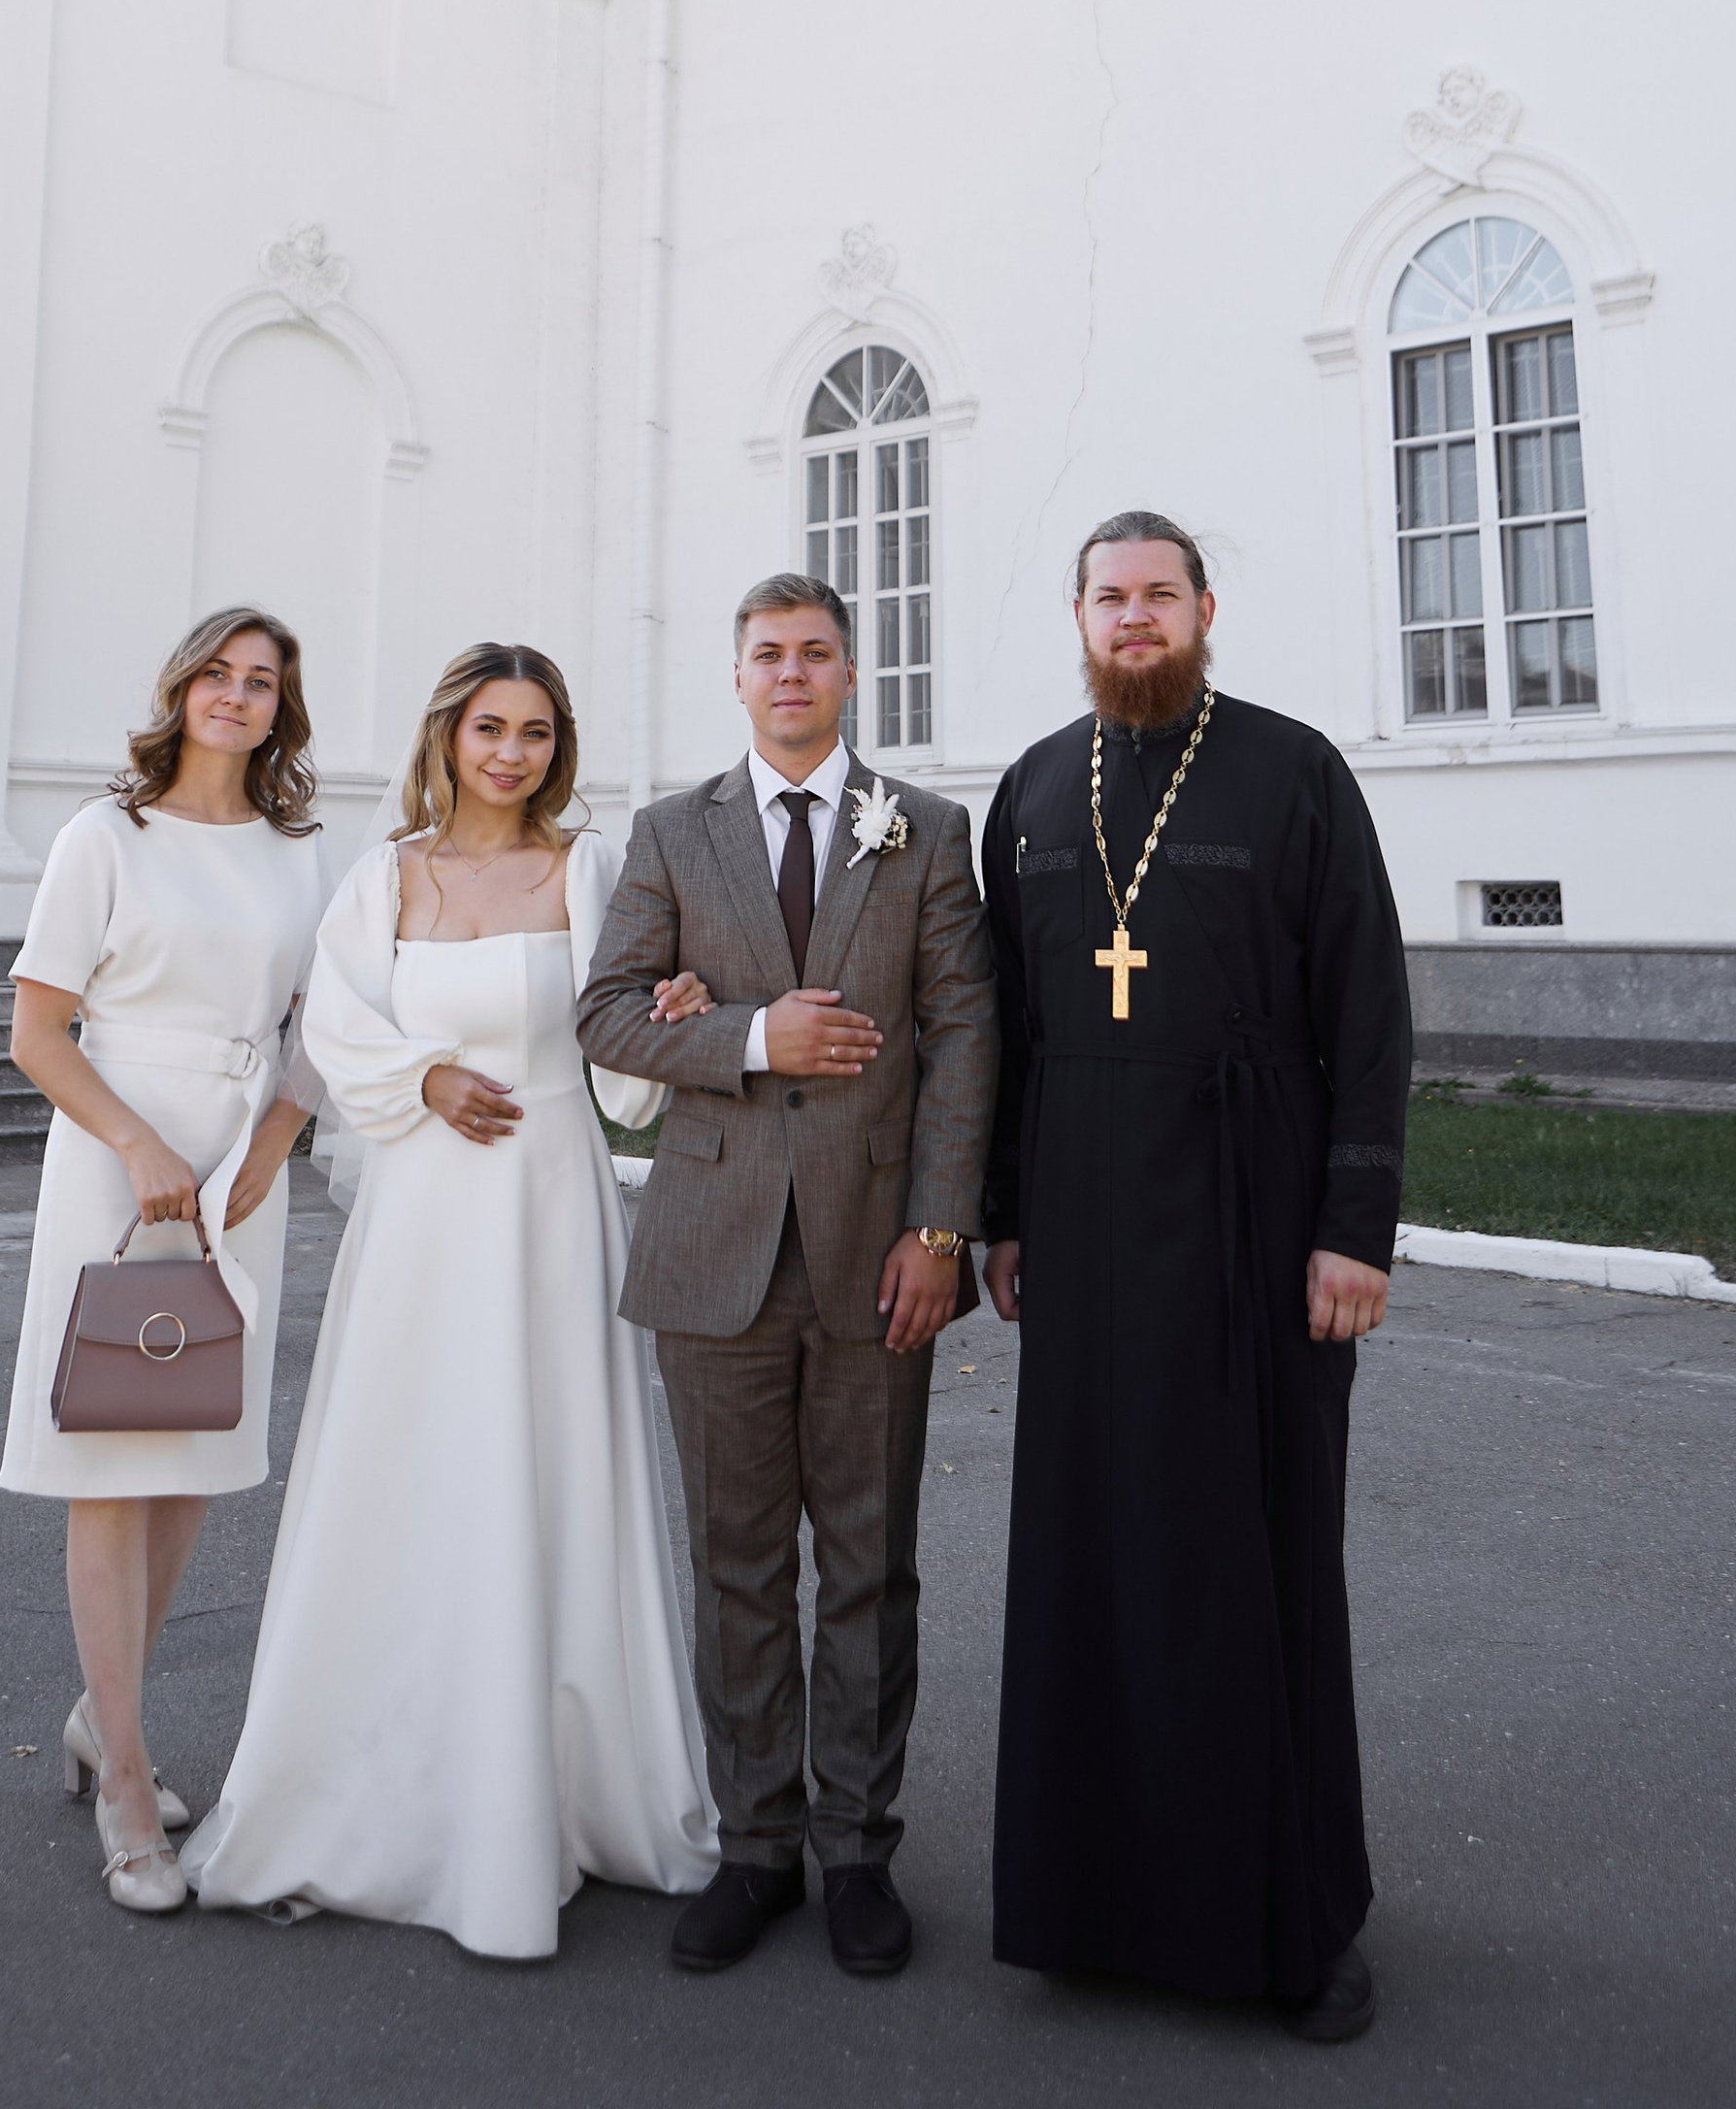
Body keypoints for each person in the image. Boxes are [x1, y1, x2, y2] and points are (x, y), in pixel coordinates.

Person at [183, 643, 716, 1953]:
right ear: (450, 735)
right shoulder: (385, 876)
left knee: (549, 1469)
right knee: (407, 1465)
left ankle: (566, 1794)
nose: (511, 754)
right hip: (421, 1218)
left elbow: (622, 1056)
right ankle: (387, 1786)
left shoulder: (591, 870)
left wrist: (673, 1012)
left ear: (558, 746)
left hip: (549, 1205)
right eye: (490, 728)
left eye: (535, 732)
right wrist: (421, 1077)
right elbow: (334, 1029)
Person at [980, 513, 1412, 2047]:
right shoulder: (1037, 787)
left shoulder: (1295, 772)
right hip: (1084, 1228)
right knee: (1094, 1554)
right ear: (1079, 617)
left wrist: (1355, 1227)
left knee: (1254, 1555)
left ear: (1205, 609)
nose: (1136, 617)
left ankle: (1293, 1920)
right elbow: (1012, 1029)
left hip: (1255, 1214)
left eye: (1161, 593)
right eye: (1111, 596)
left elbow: (1369, 1013)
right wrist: (1004, 1217)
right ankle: (1097, 1905)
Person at [577, 573, 997, 1981]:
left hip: (880, 1258)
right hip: (716, 1257)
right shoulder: (669, 832)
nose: (793, 673)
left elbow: (965, 1037)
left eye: (817, 652)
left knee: (870, 1566)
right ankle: (756, 1848)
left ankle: (858, 1849)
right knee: (740, 1564)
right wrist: (754, 1039)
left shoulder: (924, 829)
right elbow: (607, 1013)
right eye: (769, 653)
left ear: (851, 674)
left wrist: (940, 1232)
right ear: (740, 675)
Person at [1, 607, 333, 1916]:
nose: (238, 696)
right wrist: (137, 1143)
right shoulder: (105, 835)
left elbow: (319, 1023)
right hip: (114, 1157)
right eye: (219, 675)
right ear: (182, 688)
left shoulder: (299, 852)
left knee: (194, 1454)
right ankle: (129, 1785)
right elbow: (38, 1031)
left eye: (263, 682)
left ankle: (104, 1715)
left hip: (239, 1168)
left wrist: (277, 1143)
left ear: (280, 710)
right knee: (112, 1457)